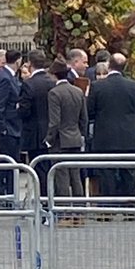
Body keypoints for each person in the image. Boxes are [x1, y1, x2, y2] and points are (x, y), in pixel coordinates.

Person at [87, 52, 135, 208]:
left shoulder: (97, 86)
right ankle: (130, 209)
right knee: (129, 173)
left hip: (105, 136)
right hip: (129, 136)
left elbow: (90, 111)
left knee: (107, 173)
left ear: (109, 66)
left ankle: (108, 208)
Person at [46, 57, 87, 221]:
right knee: (76, 176)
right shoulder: (78, 91)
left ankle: (65, 213)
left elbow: (54, 121)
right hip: (75, 138)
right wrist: (81, 134)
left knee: (61, 177)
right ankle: (80, 212)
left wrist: (49, 138)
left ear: (54, 75)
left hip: (60, 140)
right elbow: (83, 118)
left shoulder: (54, 93)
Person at [17, 49, 55, 194]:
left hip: (35, 133)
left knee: (39, 171)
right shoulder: (52, 82)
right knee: (49, 169)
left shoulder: (29, 84)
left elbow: (24, 110)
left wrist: (18, 108)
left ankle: (43, 203)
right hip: (51, 132)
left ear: (30, 64)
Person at [0, 49, 22, 206]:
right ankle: (2, 197)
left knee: (11, 164)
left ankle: (9, 195)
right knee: (6, 164)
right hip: (8, 128)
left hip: (13, 127)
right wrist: (3, 128)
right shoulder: (5, 77)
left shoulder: (11, 76)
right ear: (18, 61)